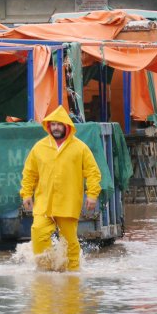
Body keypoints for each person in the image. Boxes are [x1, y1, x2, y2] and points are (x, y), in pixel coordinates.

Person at [19, 106, 101, 271]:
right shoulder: (39, 147)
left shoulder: (80, 148)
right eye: (53, 124)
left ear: (67, 126)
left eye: (59, 124)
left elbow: (93, 172)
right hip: (44, 202)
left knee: (69, 240)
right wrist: (26, 194)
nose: (55, 128)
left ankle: (73, 273)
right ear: (48, 126)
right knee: (38, 232)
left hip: (68, 202)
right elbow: (29, 173)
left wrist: (92, 195)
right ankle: (45, 269)